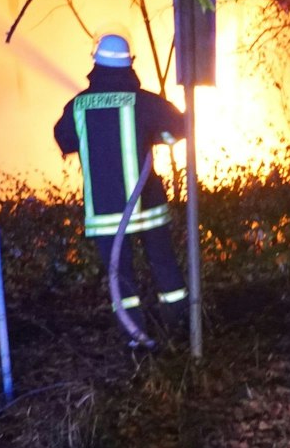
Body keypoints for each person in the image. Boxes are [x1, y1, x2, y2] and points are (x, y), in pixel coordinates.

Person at [54, 34, 189, 346]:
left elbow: (65, 141)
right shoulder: (144, 102)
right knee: (164, 265)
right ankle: (180, 328)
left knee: (120, 276)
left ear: (95, 63)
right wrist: (156, 137)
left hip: (105, 212)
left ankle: (134, 336)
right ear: (130, 63)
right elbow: (180, 127)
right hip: (148, 206)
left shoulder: (78, 106)